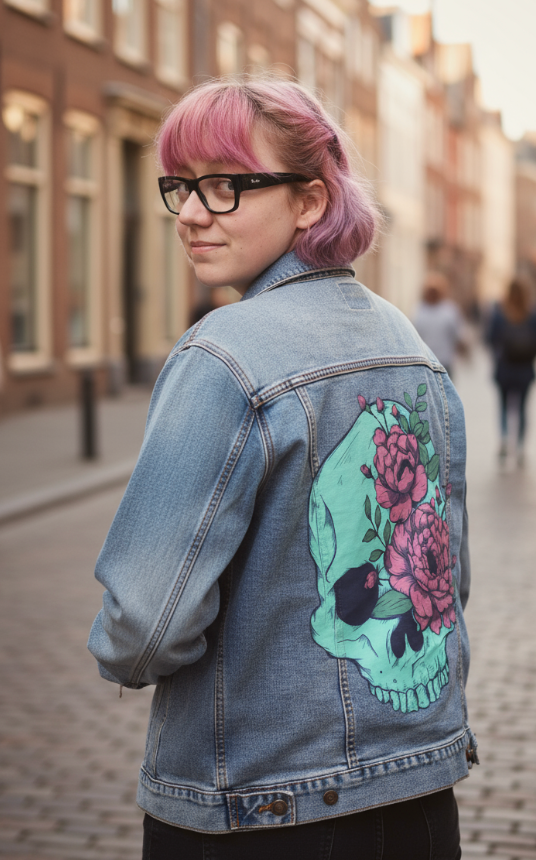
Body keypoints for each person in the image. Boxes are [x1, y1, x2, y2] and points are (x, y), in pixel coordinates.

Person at [88, 77, 476, 860]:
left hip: (258, 812)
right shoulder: (410, 344)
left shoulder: (224, 355)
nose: (192, 213)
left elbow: (143, 626)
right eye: (181, 186)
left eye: (226, 186)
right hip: (422, 802)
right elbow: (444, 583)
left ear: (309, 200)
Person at [487, 278, 536, 463]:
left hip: (504, 367)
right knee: (523, 408)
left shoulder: (499, 313)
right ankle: (521, 447)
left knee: (504, 406)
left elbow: (490, 339)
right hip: (524, 369)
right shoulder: (531, 314)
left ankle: (505, 440)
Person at [413, 272, 466, 378]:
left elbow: (458, 335)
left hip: (443, 362)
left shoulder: (449, 310)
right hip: (426, 363)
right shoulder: (418, 311)